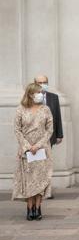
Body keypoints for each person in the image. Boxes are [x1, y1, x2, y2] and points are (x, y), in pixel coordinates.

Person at [12, 83, 54, 221]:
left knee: (41, 179)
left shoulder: (46, 109)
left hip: (42, 150)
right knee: (29, 180)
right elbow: (17, 130)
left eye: (41, 92)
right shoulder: (21, 109)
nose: (41, 94)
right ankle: (30, 208)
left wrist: (38, 145)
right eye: (38, 92)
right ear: (30, 94)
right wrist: (28, 146)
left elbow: (49, 130)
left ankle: (38, 207)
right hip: (27, 151)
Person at [34, 75, 63, 200]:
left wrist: (59, 134)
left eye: (44, 82)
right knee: (36, 164)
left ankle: (47, 190)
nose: (42, 84)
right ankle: (36, 190)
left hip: (49, 137)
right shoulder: (30, 98)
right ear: (35, 83)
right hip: (34, 139)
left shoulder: (53, 97)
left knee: (46, 164)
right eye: (39, 82)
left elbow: (57, 116)